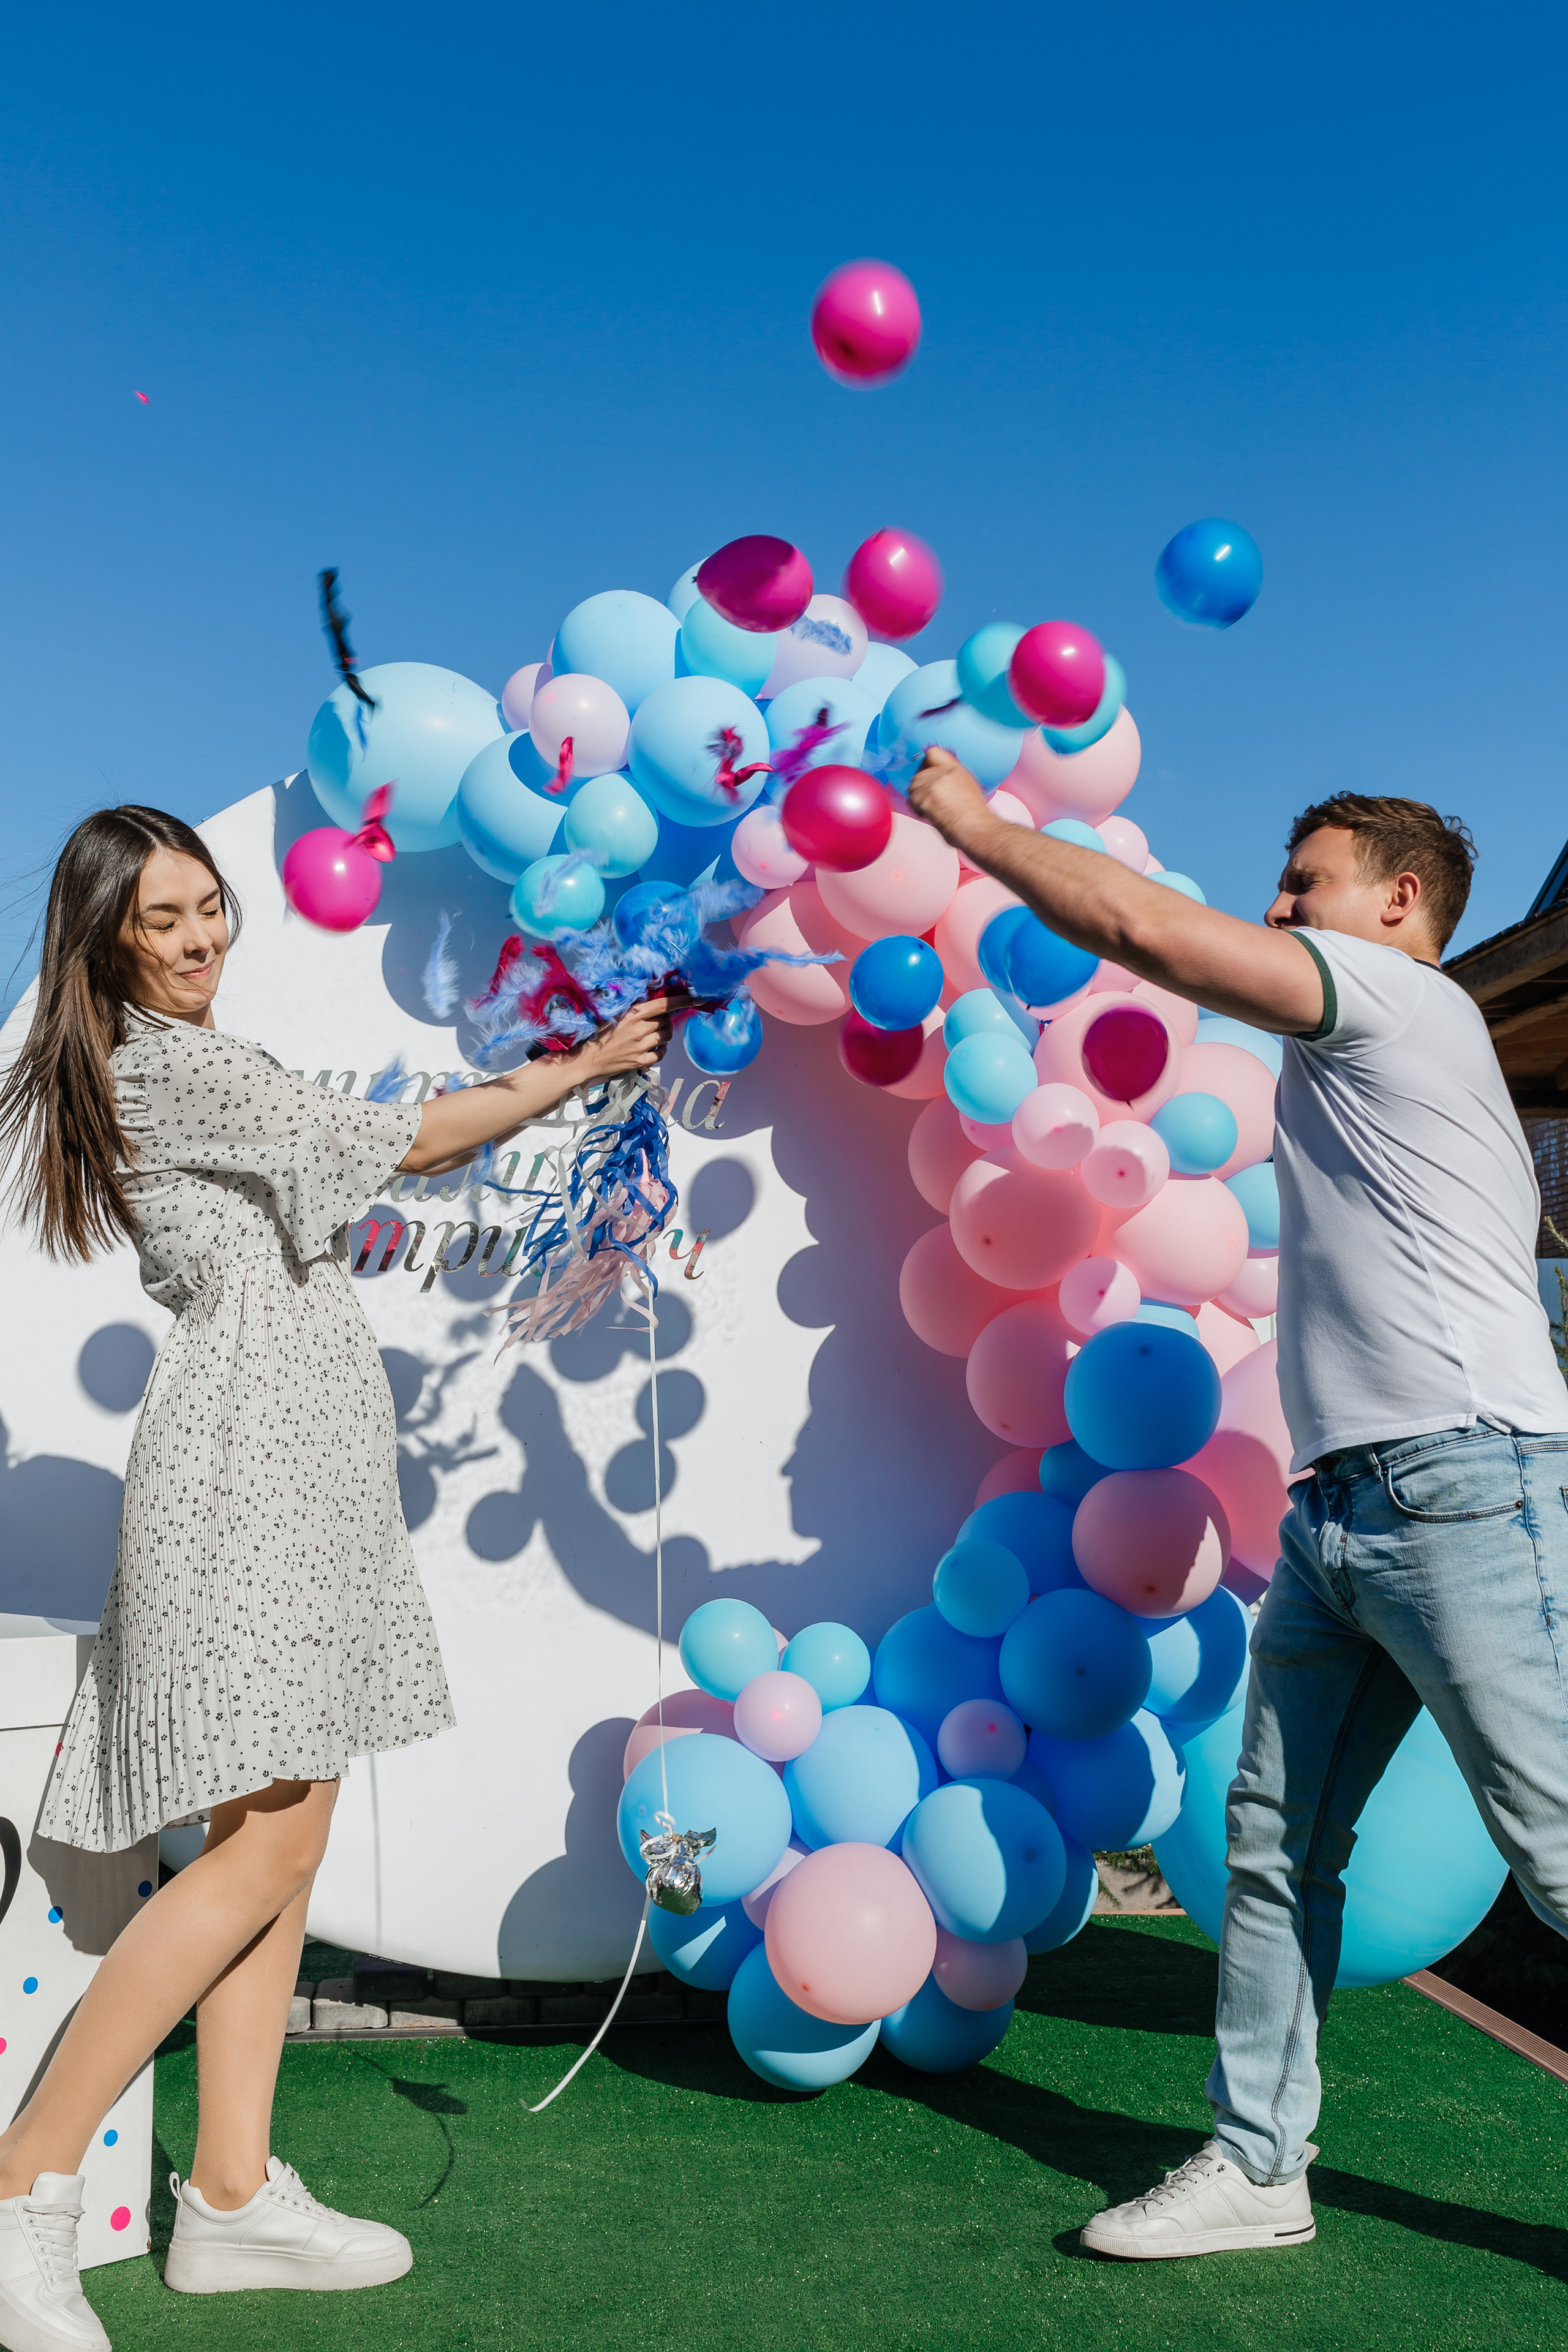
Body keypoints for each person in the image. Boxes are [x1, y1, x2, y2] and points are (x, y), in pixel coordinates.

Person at [0, 806, 670, 2350]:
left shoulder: (187, 1063)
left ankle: (227, 2199)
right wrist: (579, 1067)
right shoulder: (172, 1064)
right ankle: (29, 2181)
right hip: (241, 1469)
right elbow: (414, 1137)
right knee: (253, 1848)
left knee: (281, 1837)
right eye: (161, 920)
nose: (198, 938)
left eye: (209, 908)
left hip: (293, 1462)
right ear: (105, 941)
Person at [908, 750, 1568, 2261]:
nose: (1277, 906)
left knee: (1549, 1850)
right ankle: (1258, 2167)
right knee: (1271, 1852)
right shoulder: (1353, 1049)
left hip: (1463, 1481)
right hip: (1346, 1510)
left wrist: (967, 828)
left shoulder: (1400, 995)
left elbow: (1147, 933)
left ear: (1398, 904)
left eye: (1304, 882)